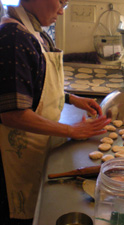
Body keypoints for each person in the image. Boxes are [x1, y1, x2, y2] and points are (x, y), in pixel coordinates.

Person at [0, 1, 111, 224]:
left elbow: (35, 85)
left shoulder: (35, 32)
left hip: (39, 146)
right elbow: (12, 114)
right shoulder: (13, 36)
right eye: (60, 2)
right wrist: (72, 129)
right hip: (17, 155)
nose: (61, 11)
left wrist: (71, 98)